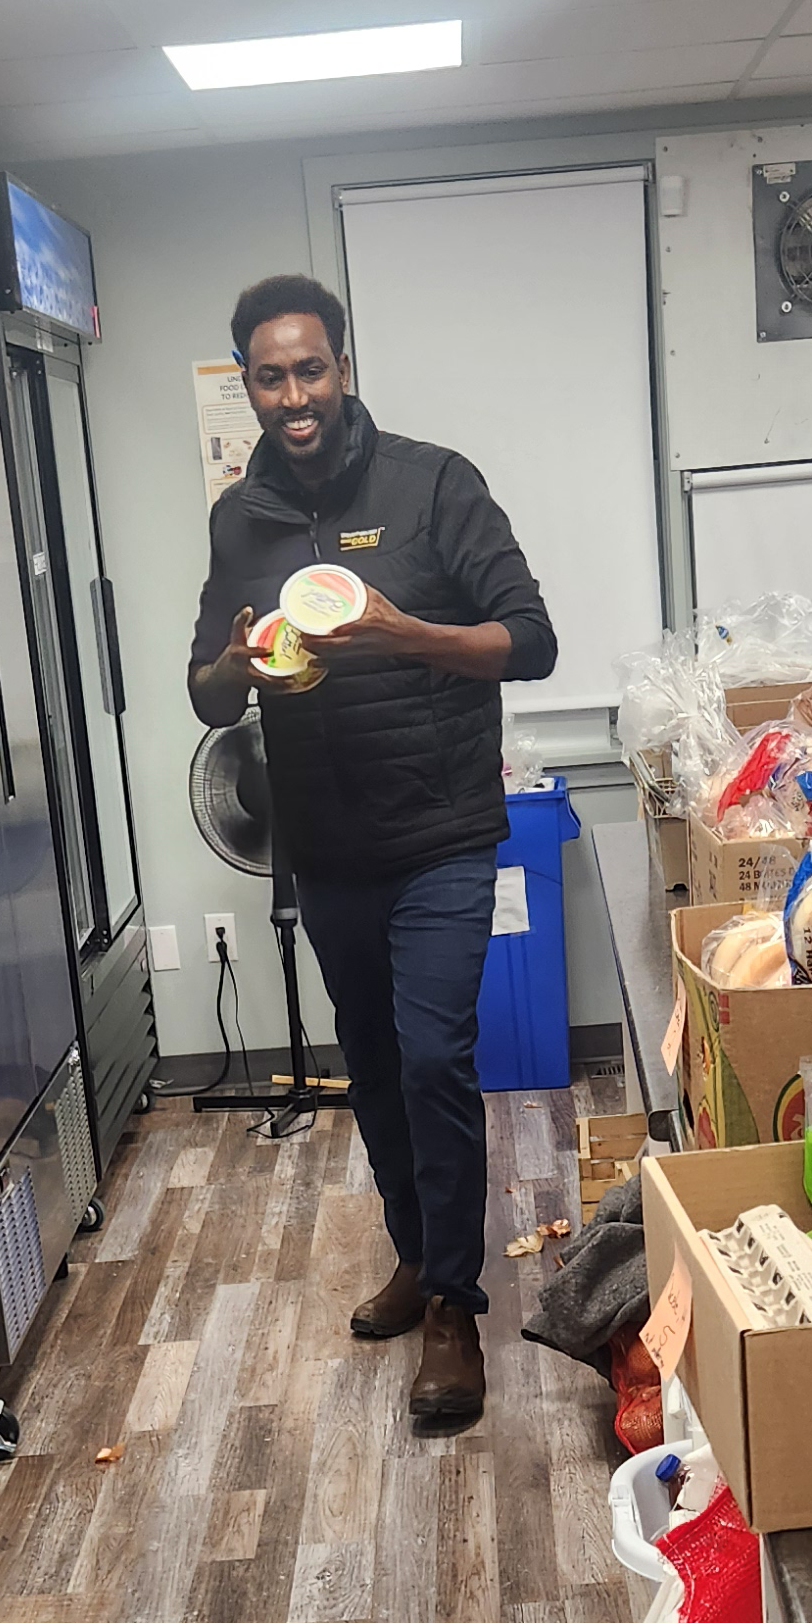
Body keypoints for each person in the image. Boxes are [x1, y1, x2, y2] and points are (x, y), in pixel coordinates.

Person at [189, 273, 557, 1424]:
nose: (292, 394)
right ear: (247, 385)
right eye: (269, 375)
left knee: (439, 1056)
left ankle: (455, 1302)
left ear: (343, 369)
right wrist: (235, 669)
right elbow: (203, 689)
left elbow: (531, 641)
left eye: (310, 369)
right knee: (379, 1066)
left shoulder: (435, 484)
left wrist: (405, 632)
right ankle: (418, 1249)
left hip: (442, 831)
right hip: (324, 842)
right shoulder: (237, 517)